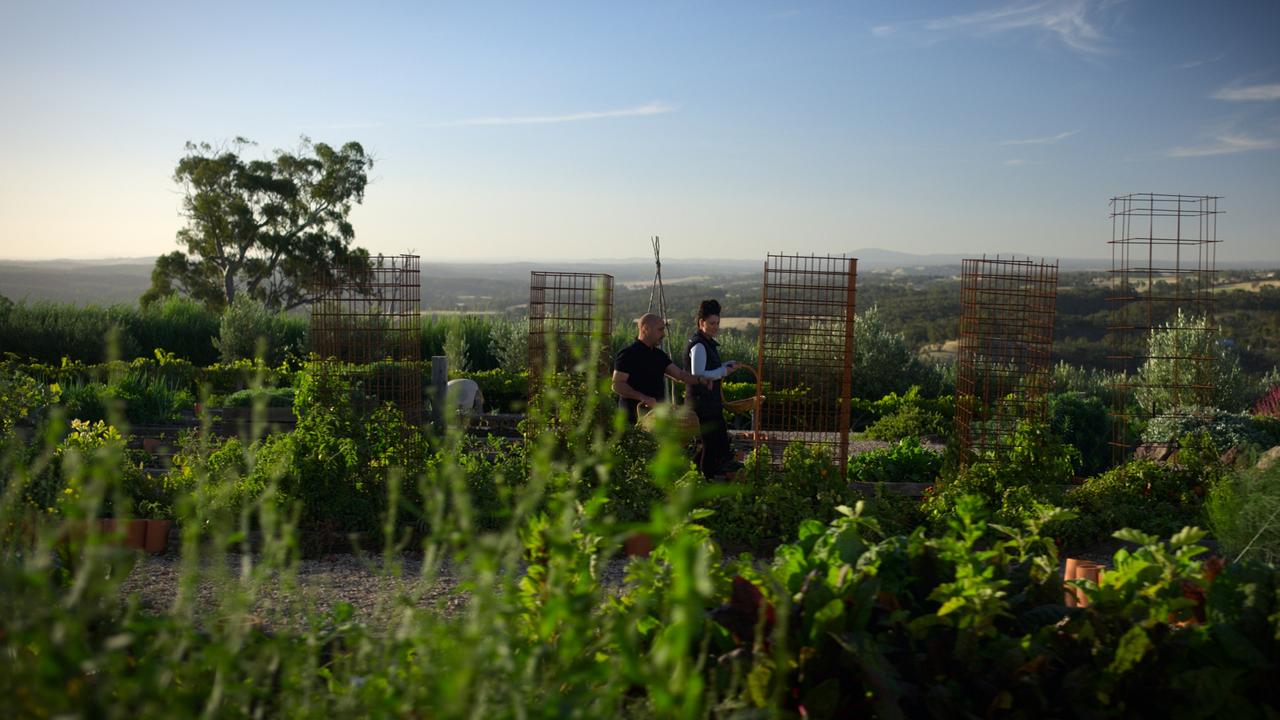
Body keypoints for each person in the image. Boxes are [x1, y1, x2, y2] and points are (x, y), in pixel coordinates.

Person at [613, 313, 709, 424]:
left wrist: (700, 380)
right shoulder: (627, 354)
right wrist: (643, 398)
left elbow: (680, 375)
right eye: (660, 330)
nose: (663, 334)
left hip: (656, 420)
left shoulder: (659, 355)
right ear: (645, 329)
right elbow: (617, 384)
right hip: (631, 420)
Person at [684, 299, 744, 477]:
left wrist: (726, 364)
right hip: (703, 405)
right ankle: (705, 481)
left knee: (714, 442)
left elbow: (709, 369)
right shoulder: (700, 345)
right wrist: (724, 371)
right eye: (711, 323)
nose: (715, 327)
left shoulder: (706, 342)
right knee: (712, 444)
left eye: (717, 323)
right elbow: (698, 375)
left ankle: (690, 475)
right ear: (701, 322)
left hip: (709, 403)